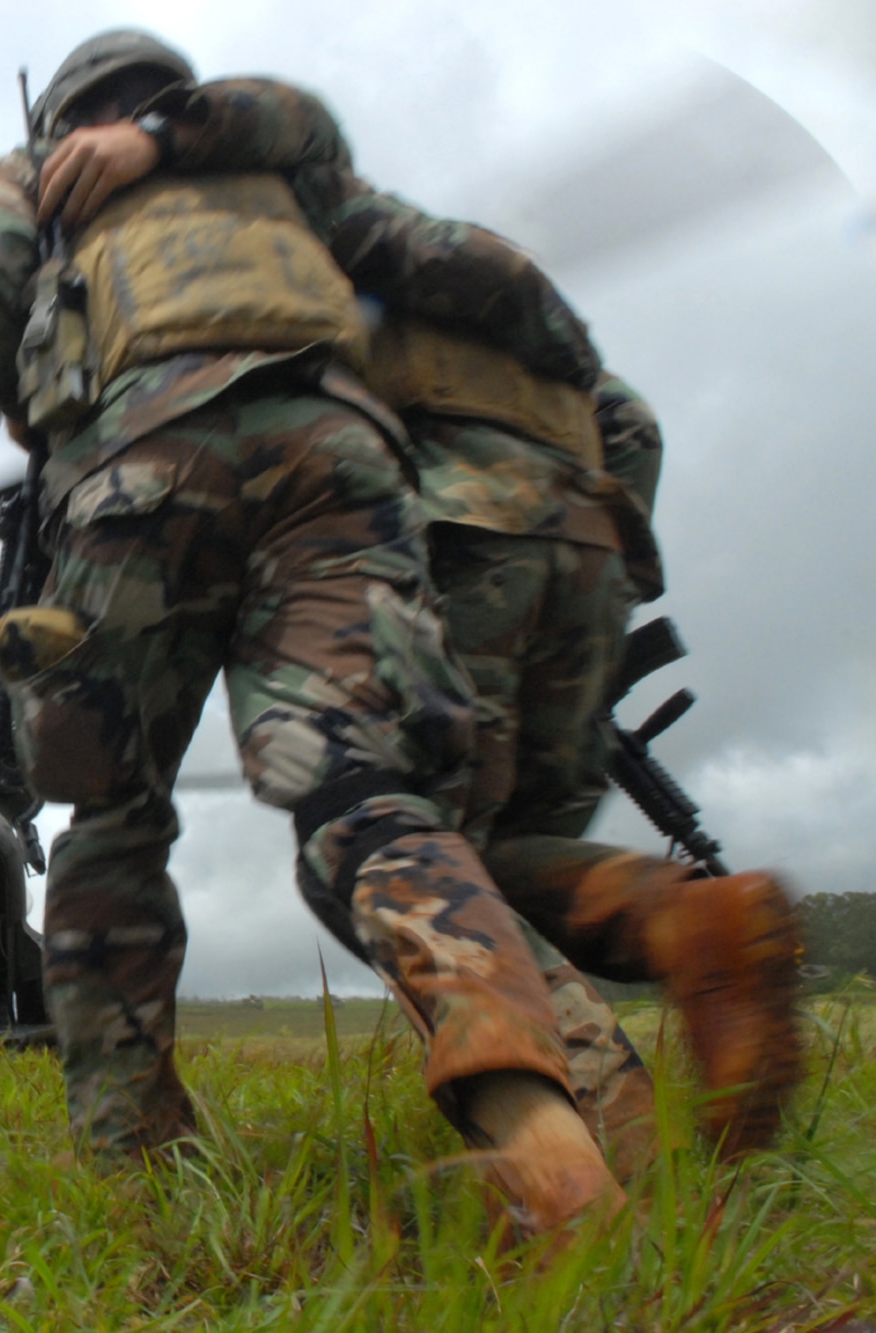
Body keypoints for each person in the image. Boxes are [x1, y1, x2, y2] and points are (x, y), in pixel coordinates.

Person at [0, 28, 631, 1234]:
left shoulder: (26, 178)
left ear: (63, 115)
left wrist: (16, 394)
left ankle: (137, 1164)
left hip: (144, 477)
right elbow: (442, 261)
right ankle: (558, 1126)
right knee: (362, 794)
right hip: (336, 464)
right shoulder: (279, 164)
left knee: (111, 817)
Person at [42, 69, 802, 1163]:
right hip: (589, 540)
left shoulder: (283, 244)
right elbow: (627, 425)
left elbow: (283, 396)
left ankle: (589, 1133)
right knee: (508, 840)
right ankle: (681, 920)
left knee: (379, 835)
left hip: (444, 531)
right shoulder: (464, 267)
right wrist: (601, 549)